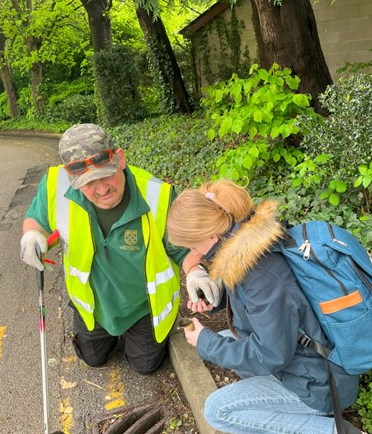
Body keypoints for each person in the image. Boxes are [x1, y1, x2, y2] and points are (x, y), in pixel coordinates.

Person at [166, 179, 371, 434]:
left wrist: (205, 343)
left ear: (210, 234)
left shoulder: (260, 273)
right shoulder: (247, 245)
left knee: (218, 410)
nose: (193, 255)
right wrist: (216, 300)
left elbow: (271, 355)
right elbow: (256, 308)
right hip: (309, 358)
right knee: (227, 338)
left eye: (192, 247)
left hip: (319, 380)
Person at [20, 123, 221, 375]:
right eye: (89, 182)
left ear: (121, 159)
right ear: (72, 179)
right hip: (94, 306)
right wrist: (32, 236)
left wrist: (195, 272)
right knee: (92, 359)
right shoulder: (55, 186)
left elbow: (184, 249)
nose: (102, 188)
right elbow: (36, 220)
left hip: (142, 307)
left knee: (144, 366)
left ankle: (136, 334)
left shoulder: (156, 195)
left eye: (107, 174)